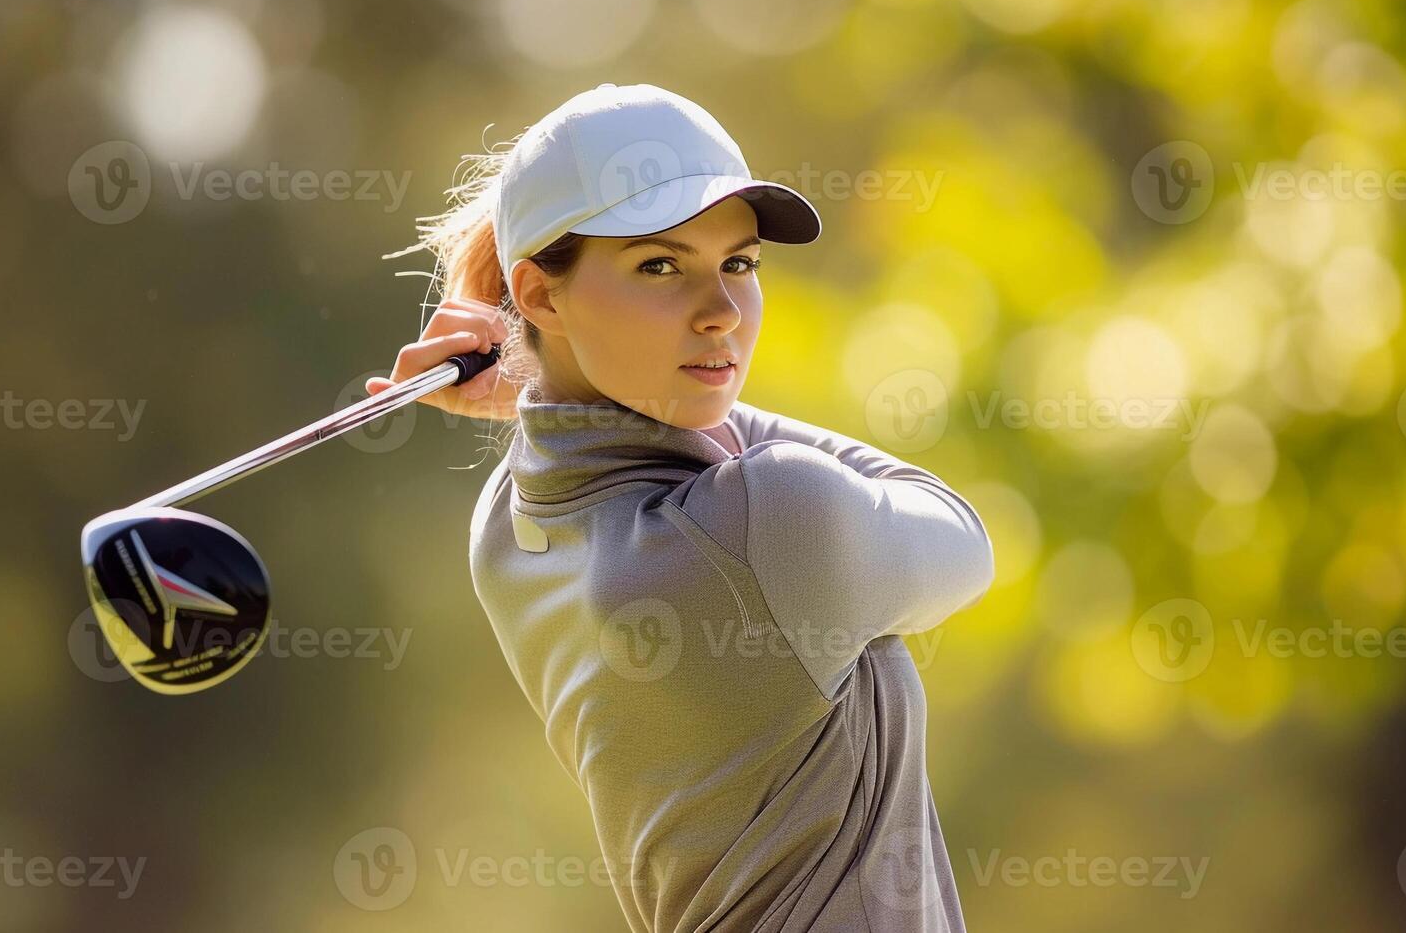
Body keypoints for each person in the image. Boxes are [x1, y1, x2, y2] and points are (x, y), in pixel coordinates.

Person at [368, 83, 995, 932]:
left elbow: (605, 431)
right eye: (660, 266)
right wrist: (538, 386)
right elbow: (962, 534)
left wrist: (546, 386)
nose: (723, 314)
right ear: (542, 297)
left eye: (738, 264)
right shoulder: (773, 515)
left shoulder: (506, 527)